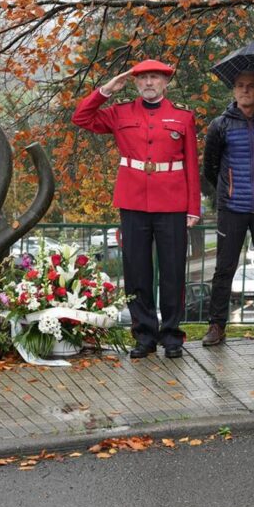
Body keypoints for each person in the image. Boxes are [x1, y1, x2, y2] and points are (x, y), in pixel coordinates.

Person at [72, 59, 200, 359]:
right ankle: (144, 335)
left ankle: (171, 335)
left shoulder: (182, 116)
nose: (149, 84)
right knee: (137, 272)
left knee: (172, 273)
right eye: (142, 79)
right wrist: (105, 90)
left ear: (165, 83)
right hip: (133, 202)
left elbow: (192, 166)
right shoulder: (119, 113)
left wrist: (193, 207)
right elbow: (80, 117)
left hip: (172, 202)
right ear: (134, 83)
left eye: (155, 78)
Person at [200, 71, 254, 345]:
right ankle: (217, 325)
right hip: (232, 208)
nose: (245, 91)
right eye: (239, 86)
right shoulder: (220, 125)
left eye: (251, 86)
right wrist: (227, 191)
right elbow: (210, 168)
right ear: (233, 91)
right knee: (225, 267)